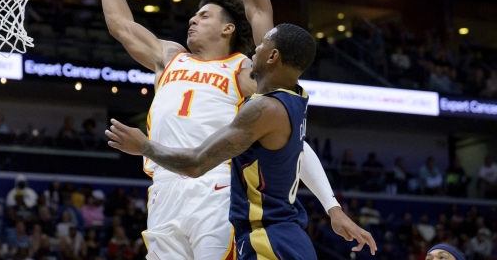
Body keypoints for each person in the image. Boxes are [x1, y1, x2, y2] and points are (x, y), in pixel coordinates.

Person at [94, 0, 348, 258]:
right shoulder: (169, 57)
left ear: (228, 28)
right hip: (163, 189)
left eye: (204, 15)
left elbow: (294, 142)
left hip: (215, 186)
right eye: (193, 16)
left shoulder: (245, 69)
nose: (192, 21)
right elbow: (121, 26)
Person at [106, 21, 377, 258]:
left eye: (205, 14)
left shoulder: (261, 103)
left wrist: (143, 146)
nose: (254, 51)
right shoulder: (289, 102)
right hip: (182, 196)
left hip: (253, 222)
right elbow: (120, 25)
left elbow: (197, 162)